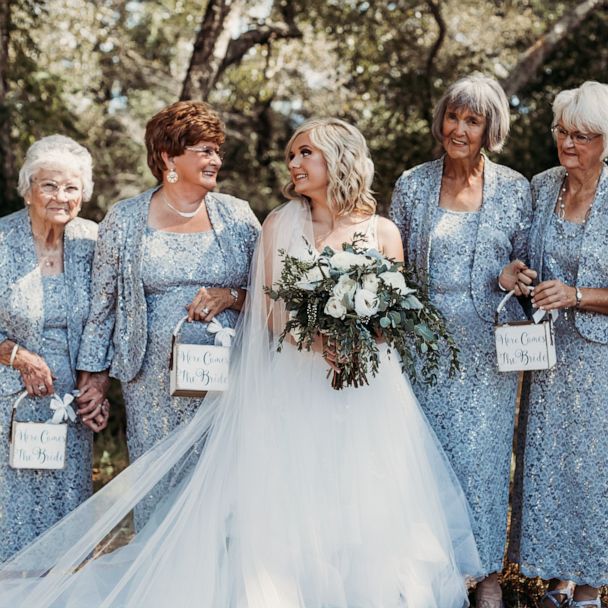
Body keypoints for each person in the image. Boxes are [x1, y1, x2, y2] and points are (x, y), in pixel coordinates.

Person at [0, 118, 481, 607]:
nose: (292, 164)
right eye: (291, 155)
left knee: (363, 495)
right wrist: (317, 341)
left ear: (338, 158)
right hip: (269, 378)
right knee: (289, 500)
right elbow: (271, 312)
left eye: (303, 154)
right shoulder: (277, 223)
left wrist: (357, 339)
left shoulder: (377, 231)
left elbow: (389, 311)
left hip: (361, 386)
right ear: (169, 158)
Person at [75, 100, 261, 527]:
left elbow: (269, 296)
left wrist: (230, 295)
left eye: (217, 150)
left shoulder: (238, 216)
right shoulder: (123, 220)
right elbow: (103, 307)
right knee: (161, 496)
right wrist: (95, 378)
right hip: (152, 388)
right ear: (167, 157)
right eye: (204, 150)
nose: (216, 159)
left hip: (228, 383)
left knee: (226, 495)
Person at [389, 74, 532, 607]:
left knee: (483, 462)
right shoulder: (412, 183)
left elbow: (524, 262)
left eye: (473, 120)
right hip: (419, 345)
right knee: (421, 459)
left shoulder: (515, 188)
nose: (459, 128)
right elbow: (391, 264)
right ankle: (426, 576)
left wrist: (515, 275)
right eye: (453, 116)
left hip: (486, 350)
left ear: (490, 128)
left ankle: (486, 578)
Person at [508, 81, 608, 608]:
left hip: (599, 355)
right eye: (562, 132)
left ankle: (591, 585)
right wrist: (518, 272)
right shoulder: (543, 185)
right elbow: (523, 247)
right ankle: (556, 580)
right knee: (548, 461)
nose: (569, 145)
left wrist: (577, 294)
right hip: (547, 350)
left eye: (583, 136)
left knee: (594, 466)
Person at [0, 135, 108, 562]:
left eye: (71, 188)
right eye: (49, 186)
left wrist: (97, 382)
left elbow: (106, 317)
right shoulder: (1, 240)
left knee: (67, 514)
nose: (60, 197)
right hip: (8, 395)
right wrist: (17, 356)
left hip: (70, 403)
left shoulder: (92, 241)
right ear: (28, 189)